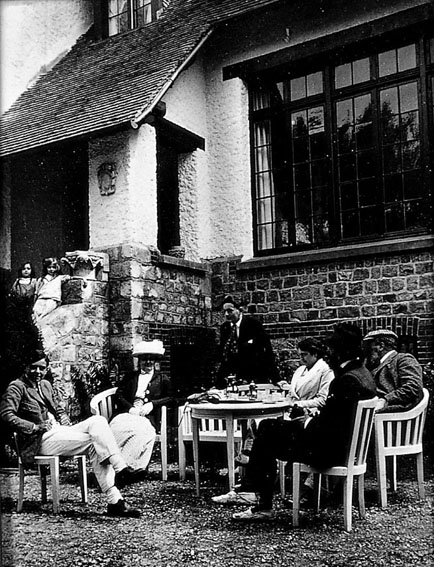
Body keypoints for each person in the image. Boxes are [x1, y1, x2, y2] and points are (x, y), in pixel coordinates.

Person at [212, 323, 376, 521]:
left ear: (340, 351)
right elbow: (334, 419)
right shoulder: (363, 374)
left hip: (328, 452)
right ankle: (251, 490)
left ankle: (258, 499)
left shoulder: (346, 380)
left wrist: (305, 422)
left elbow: (328, 426)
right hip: (344, 447)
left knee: (266, 430)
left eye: (332, 349)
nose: (329, 355)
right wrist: (306, 421)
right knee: (270, 427)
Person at [0, 353, 141, 517]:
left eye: (41, 368)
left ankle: (120, 472)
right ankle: (115, 499)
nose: (37, 372)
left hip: (57, 431)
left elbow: (57, 408)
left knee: (98, 421)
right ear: (26, 367)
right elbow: (7, 415)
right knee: (95, 441)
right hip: (38, 440)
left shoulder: (45, 384)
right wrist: (35, 426)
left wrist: (64, 419)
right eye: (33, 367)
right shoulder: (17, 387)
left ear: (46, 369)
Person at [110, 339, 173, 476]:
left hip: (147, 417)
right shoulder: (130, 377)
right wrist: (130, 408)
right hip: (128, 414)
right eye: (145, 359)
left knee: (142, 431)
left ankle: (126, 467)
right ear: (139, 361)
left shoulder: (162, 379)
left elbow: (171, 398)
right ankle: (126, 467)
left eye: (151, 359)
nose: (148, 362)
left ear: (155, 361)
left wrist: (153, 404)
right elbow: (119, 395)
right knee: (119, 428)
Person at [215, 295, 279, 389]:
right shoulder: (225, 328)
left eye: (230, 311)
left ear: (239, 310)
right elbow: (223, 354)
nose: (226, 314)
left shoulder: (254, 324)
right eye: (224, 311)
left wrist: (276, 379)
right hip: (233, 376)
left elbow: (267, 351)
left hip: (254, 375)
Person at [363, 329, 423, 412]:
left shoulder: (403, 359)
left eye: (369, 348)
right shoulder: (375, 365)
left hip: (392, 413)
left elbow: (413, 388)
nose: (367, 353)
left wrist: (385, 399)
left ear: (381, 346)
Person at [277, 337, 335, 417]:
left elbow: (322, 400)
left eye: (304, 354)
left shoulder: (326, 370)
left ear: (315, 354)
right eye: (300, 355)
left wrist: (297, 404)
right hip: (292, 413)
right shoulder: (300, 370)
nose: (301, 358)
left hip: (311, 414)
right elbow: (291, 394)